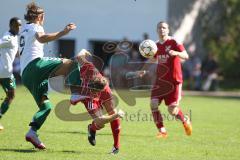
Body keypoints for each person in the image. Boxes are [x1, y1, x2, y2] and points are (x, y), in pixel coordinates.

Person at [19, 2, 103, 149]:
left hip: (25, 75)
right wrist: (63, 32)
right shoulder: (36, 26)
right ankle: (76, 93)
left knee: (46, 106)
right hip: (35, 65)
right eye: (43, 15)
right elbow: (42, 38)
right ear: (40, 16)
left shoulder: (24, 29)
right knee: (71, 64)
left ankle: (32, 132)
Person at [140, 21, 192, 138]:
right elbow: (152, 59)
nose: (162, 30)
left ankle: (185, 121)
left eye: (164, 28)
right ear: (157, 30)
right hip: (160, 81)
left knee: (172, 110)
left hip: (174, 81)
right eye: (159, 28)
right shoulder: (155, 45)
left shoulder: (174, 42)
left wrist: (176, 53)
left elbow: (186, 55)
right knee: (153, 104)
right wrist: (143, 69)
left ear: (168, 30)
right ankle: (162, 131)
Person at [69, 57, 124, 154]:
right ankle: (92, 128)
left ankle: (116, 147)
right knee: (100, 123)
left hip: (101, 88)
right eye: (95, 93)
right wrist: (117, 114)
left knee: (112, 111)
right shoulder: (89, 97)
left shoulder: (91, 69)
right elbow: (100, 119)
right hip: (85, 96)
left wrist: (84, 52)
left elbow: (80, 56)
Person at [0, 17, 22, 130]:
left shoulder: (14, 37)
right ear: (11, 25)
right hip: (5, 72)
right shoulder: (7, 37)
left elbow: (15, 53)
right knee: (11, 95)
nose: (19, 27)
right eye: (16, 25)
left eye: (20, 25)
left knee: (10, 96)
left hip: (5, 71)